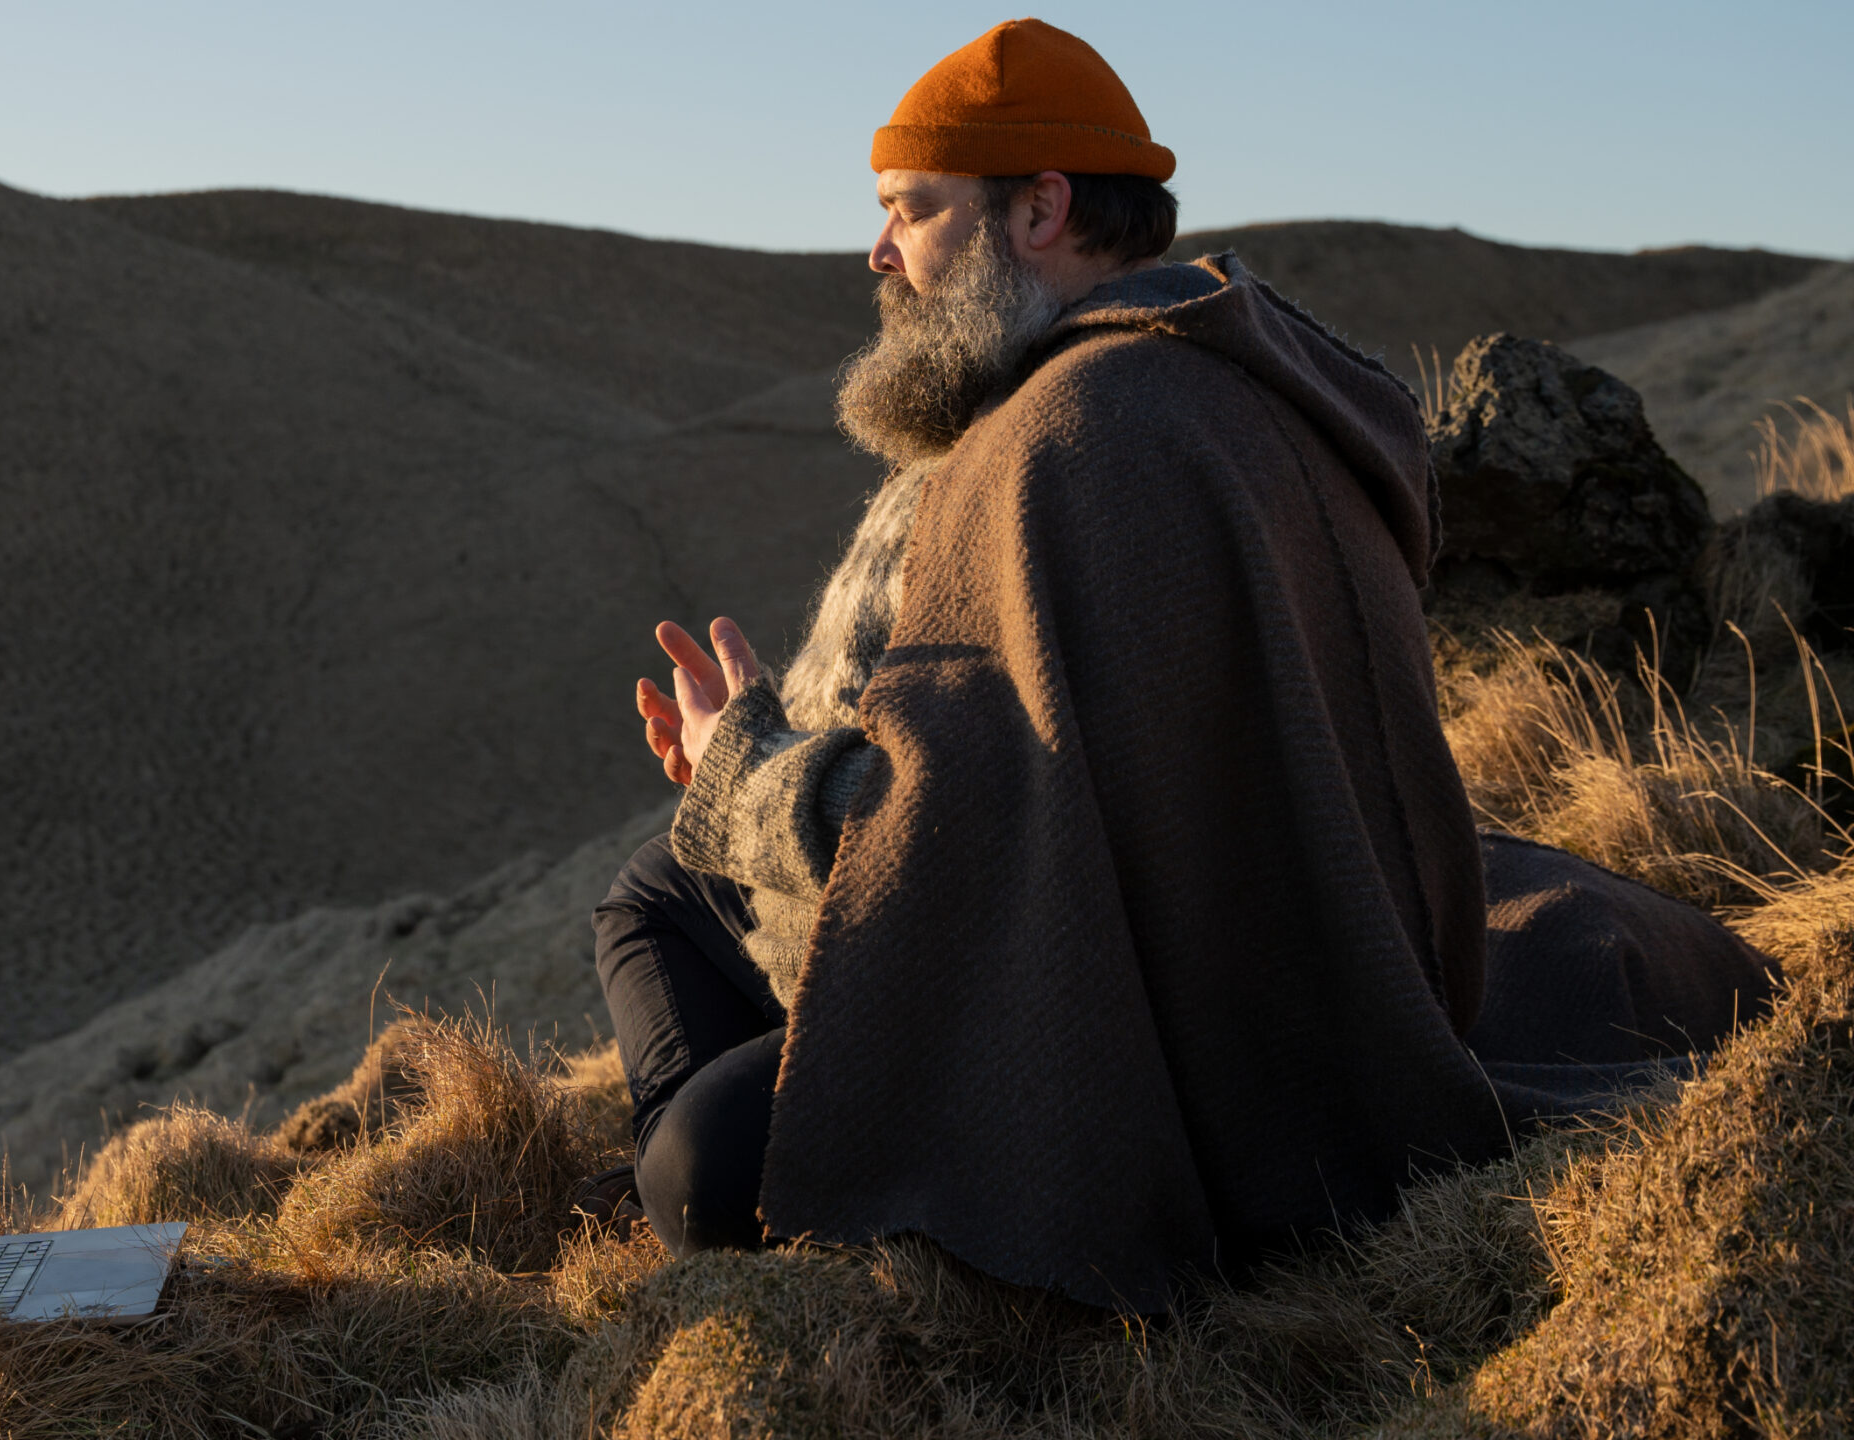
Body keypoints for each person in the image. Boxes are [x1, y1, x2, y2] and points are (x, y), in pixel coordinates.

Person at [590, 19, 1775, 1310]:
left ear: (1039, 208)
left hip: (1121, 1012)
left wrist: (747, 768)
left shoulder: (1066, 442)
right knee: (658, 882)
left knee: (697, 1171)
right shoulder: (1225, 373)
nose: (880, 253)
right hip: (1237, 916)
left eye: (911, 213)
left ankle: (775, 1160)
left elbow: (971, 849)